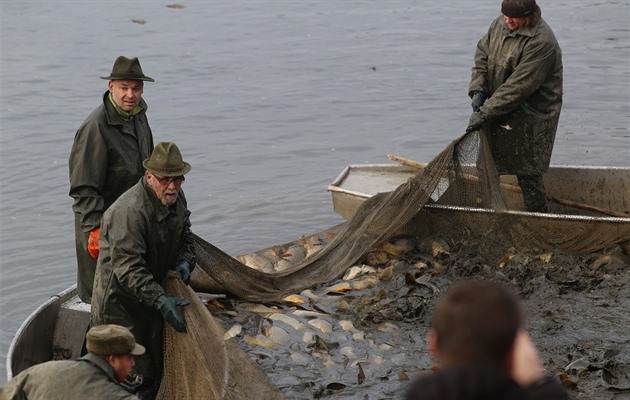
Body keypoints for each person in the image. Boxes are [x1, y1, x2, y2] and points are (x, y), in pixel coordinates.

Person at [90, 142, 195, 400]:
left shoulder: (176, 197)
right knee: (131, 379)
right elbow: (128, 269)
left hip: (148, 296)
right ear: (150, 176)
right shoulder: (129, 211)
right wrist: (160, 299)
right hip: (120, 305)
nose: (172, 186)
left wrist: (185, 261)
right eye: (165, 180)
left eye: (177, 179)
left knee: (152, 370)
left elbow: (187, 237)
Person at [69, 55, 155, 304]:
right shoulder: (95, 127)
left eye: (136, 88)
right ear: (111, 87)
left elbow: (148, 165)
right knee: (101, 295)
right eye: (124, 88)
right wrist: (94, 229)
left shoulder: (139, 116)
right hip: (100, 224)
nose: (130, 94)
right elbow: (83, 187)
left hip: (131, 220)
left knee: (130, 288)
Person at [465, 0, 563, 213]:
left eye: (513, 17)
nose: (507, 20)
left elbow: (519, 87)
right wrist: (478, 90)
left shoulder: (542, 42)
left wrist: (486, 112)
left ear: (529, 17)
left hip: (531, 114)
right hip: (497, 108)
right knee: (487, 167)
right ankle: (492, 216)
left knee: (528, 172)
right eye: (504, 15)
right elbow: (482, 54)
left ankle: (538, 220)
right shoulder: (500, 24)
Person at [405, 280, 570, 399]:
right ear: (515, 351)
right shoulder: (540, 395)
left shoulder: (421, 393)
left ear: (433, 345)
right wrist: (537, 381)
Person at [0, 324, 145, 400]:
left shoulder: (40, 371)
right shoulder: (116, 396)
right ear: (112, 359)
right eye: (129, 357)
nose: (132, 364)